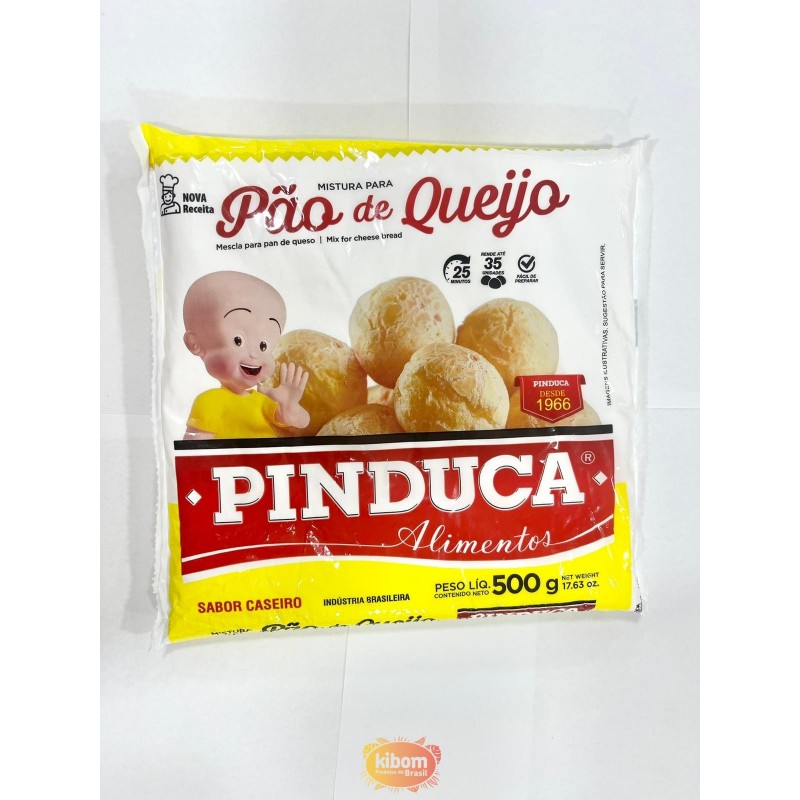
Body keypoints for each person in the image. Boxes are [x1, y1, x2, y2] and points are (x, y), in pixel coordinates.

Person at [182, 270, 310, 439]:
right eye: (238, 341)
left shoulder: (261, 401)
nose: (254, 354)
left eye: (263, 346)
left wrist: (289, 407)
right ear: (195, 344)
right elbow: (196, 445)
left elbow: (301, 422)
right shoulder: (209, 401)